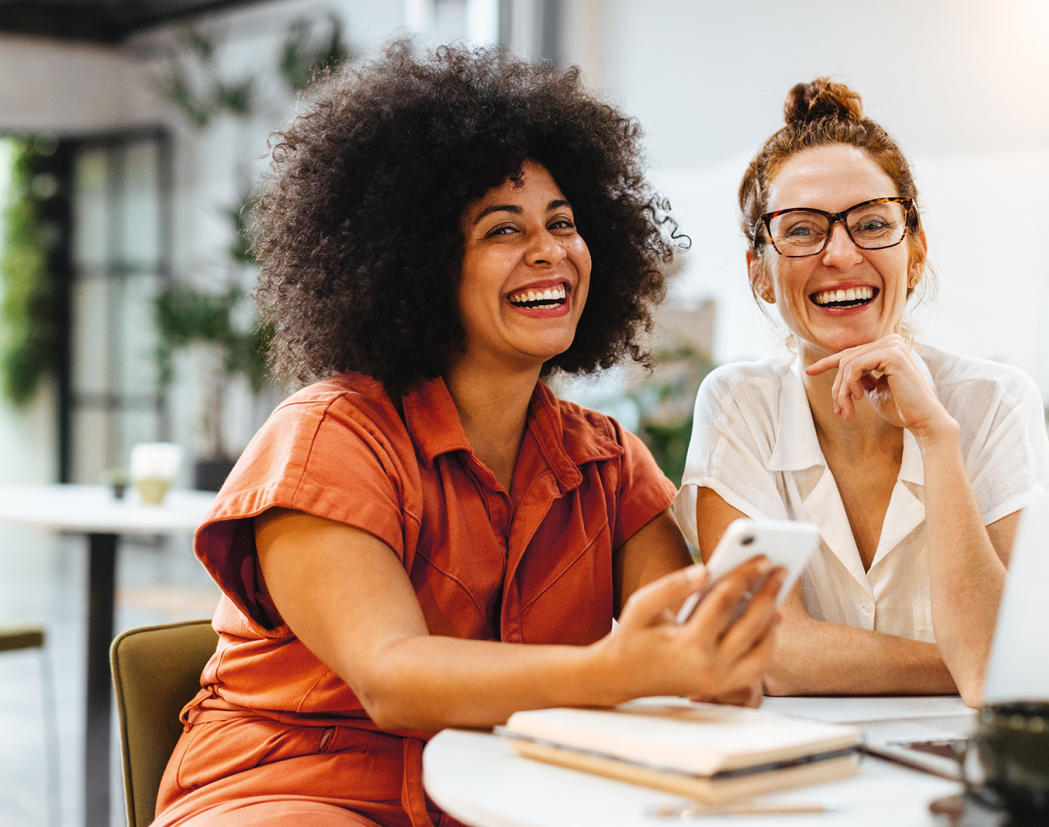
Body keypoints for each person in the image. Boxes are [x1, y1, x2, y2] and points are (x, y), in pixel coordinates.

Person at [153, 43, 784, 827]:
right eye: (501, 230)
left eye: (563, 221)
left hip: (515, 791)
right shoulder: (329, 436)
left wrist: (714, 660)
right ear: (417, 263)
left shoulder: (609, 463)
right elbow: (392, 676)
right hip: (300, 788)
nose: (548, 249)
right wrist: (610, 668)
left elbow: (684, 651)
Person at [674, 77, 1049, 707]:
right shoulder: (738, 405)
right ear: (761, 275)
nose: (840, 254)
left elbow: (1015, 665)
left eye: (872, 224)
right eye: (802, 230)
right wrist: (973, 659)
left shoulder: (993, 403)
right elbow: (770, 649)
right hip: (797, 779)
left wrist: (938, 439)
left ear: (914, 255)